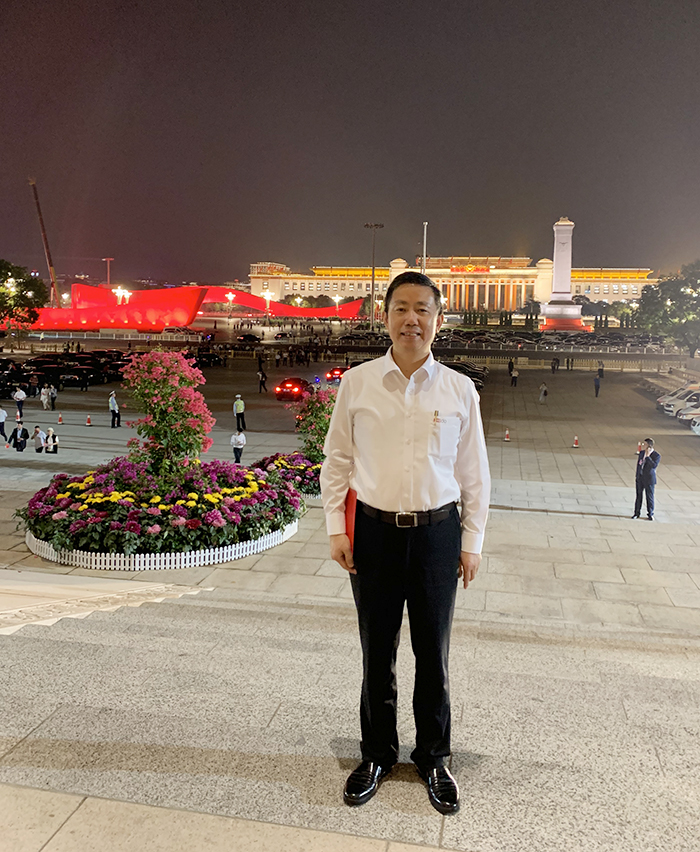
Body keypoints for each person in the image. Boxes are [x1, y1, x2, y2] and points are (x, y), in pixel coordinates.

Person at [321, 271, 490, 816]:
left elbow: (474, 473)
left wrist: (472, 540)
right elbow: (337, 461)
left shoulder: (459, 389)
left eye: (422, 309)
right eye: (401, 308)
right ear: (385, 316)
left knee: (433, 653)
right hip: (373, 535)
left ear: (439, 320)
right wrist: (336, 528)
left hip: (438, 535)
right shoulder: (358, 383)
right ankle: (377, 754)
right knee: (378, 651)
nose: (411, 319)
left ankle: (434, 757)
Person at [633, 438, 660, 520]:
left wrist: (648, 457)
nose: (643, 446)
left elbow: (654, 466)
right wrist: (637, 476)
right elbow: (639, 464)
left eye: (645, 444)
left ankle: (650, 513)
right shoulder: (641, 453)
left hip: (649, 479)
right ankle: (636, 513)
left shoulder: (656, 455)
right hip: (640, 478)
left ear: (649, 446)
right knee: (638, 496)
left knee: (649, 497)